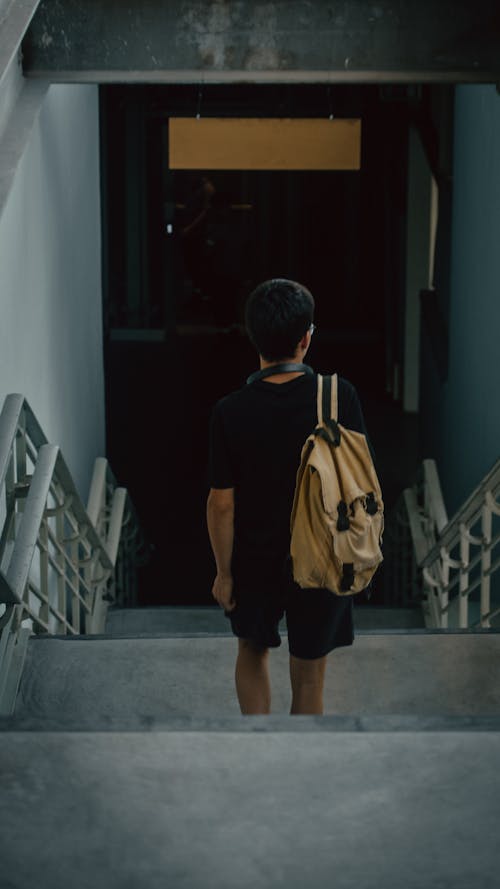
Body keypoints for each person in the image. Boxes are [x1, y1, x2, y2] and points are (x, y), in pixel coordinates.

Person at [206, 278, 370, 715]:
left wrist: (224, 574)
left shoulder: (230, 410)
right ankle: (299, 760)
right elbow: (358, 479)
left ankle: (258, 748)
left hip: (255, 556)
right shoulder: (339, 398)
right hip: (323, 550)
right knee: (310, 673)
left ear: (253, 336)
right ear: (305, 338)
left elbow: (222, 502)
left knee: (251, 651)